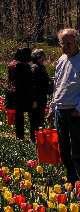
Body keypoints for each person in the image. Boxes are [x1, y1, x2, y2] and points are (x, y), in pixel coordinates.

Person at [50, 29, 80, 182]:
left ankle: (78, 181)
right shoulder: (61, 59)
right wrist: (52, 107)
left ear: (77, 42)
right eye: (62, 43)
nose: (65, 47)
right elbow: (57, 84)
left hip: (74, 110)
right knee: (64, 149)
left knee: (77, 151)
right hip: (60, 110)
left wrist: (79, 109)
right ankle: (71, 179)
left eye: (69, 43)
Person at [6, 47, 36, 140]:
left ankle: (19, 135)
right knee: (32, 114)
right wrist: (33, 98)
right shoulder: (24, 66)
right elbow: (28, 84)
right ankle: (33, 135)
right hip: (24, 93)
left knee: (18, 115)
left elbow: (9, 80)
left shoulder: (11, 65)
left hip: (13, 92)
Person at [31, 49, 52, 142]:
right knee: (36, 116)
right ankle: (34, 136)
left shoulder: (41, 67)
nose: (45, 56)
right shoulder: (35, 68)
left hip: (42, 95)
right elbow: (34, 84)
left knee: (41, 116)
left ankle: (40, 135)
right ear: (39, 56)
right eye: (43, 54)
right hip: (37, 96)